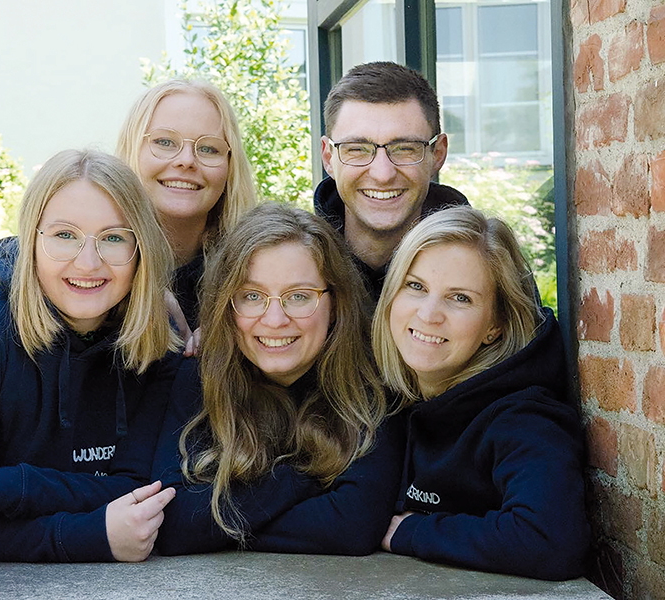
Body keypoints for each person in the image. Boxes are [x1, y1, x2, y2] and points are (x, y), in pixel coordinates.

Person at [0, 150, 181, 562]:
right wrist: (90, 534)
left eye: (114, 237)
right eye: (64, 235)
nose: (88, 263)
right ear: (31, 239)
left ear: (141, 249)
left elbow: (149, 492)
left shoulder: (158, 341)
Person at [151, 203, 401, 556]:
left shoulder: (373, 384)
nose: (274, 319)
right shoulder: (199, 375)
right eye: (252, 296)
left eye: (299, 296)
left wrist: (217, 524)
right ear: (227, 302)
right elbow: (176, 523)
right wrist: (310, 477)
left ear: (336, 302)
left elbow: (353, 526)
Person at [371, 206, 590, 580]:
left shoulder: (523, 418)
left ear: (495, 326)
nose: (428, 314)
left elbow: (551, 540)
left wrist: (415, 531)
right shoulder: (392, 396)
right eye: (416, 286)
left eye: (460, 298)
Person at [315, 61, 468, 303]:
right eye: (357, 149)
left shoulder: (488, 270)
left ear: (437, 154)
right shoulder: (299, 271)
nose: (382, 174)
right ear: (328, 157)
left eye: (405, 148)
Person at [116, 79, 258, 334]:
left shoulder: (258, 274)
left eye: (208, 148)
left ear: (230, 166)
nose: (186, 161)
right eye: (165, 142)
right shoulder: (89, 269)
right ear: (132, 150)